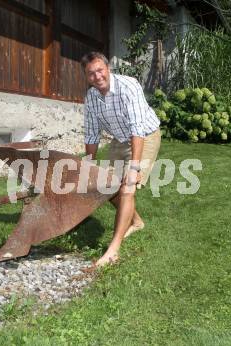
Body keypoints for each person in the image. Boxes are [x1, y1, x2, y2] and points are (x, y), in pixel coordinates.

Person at [81, 51, 161, 267]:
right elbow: (91, 133)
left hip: (145, 135)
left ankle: (113, 249)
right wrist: (88, 165)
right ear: (86, 77)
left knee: (128, 186)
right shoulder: (91, 98)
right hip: (120, 139)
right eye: (91, 74)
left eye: (100, 70)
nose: (97, 77)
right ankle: (135, 222)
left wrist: (134, 167)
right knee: (106, 186)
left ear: (108, 68)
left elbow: (137, 128)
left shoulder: (128, 86)